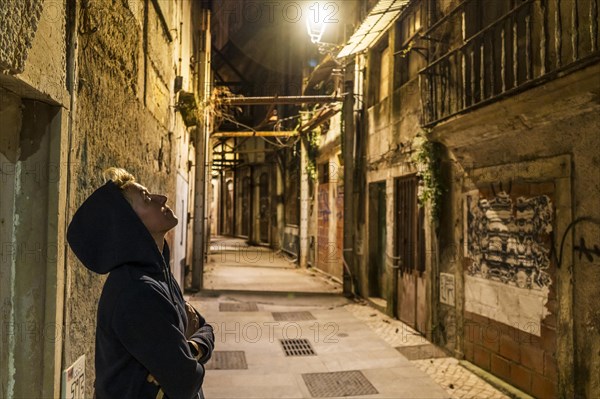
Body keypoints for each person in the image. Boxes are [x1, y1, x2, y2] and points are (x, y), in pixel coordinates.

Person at [67, 167, 214, 399]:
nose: (161, 198)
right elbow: (185, 379)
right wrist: (188, 348)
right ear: (129, 224)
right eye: (146, 198)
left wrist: (189, 347)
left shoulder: (157, 275)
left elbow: (206, 329)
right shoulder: (137, 291)